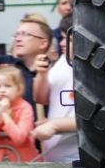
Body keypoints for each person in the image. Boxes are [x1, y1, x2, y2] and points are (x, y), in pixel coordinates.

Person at [0, 11, 53, 115]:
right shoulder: (6, 65)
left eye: (25, 34)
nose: (18, 39)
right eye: (17, 35)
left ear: (43, 43)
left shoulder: (56, 72)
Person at [33, 15, 78, 163]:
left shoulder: (97, 70)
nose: (62, 43)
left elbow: (96, 120)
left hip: (80, 158)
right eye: (63, 37)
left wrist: (54, 125)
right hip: (56, 158)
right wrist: (42, 75)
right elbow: (41, 98)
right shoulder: (62, 62)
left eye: (69, 39)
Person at [0, 64, 39, 162]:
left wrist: (4, 113)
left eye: (8, 86)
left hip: (24, 161)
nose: (2, 90)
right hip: (0, 160)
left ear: (19, 88)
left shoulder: (25, 107)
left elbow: (19, 138)